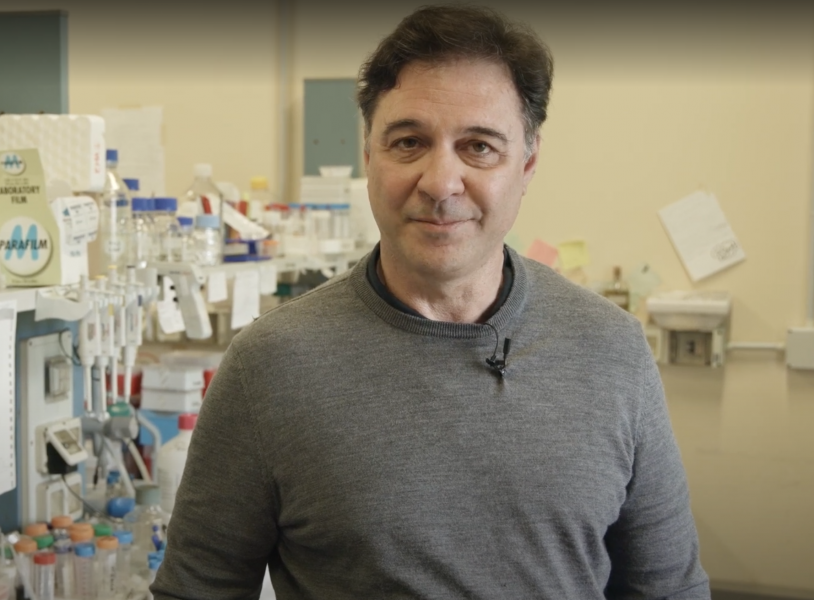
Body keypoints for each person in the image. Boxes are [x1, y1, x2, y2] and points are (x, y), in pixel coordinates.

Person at [152, 5, 710, 599]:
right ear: (369, 155)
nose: (441, 183)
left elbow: (668, 589)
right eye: (409, 142)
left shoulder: (612, 350)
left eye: (479, 146)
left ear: (527, 163)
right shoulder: (270, 365)